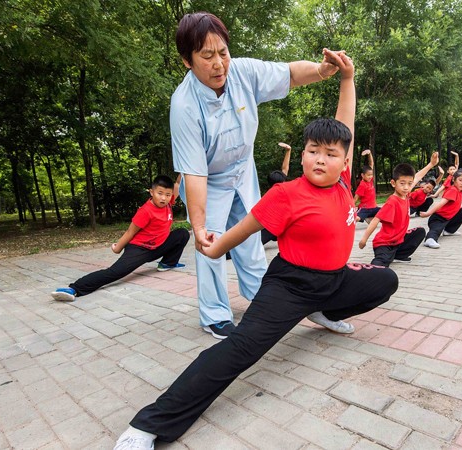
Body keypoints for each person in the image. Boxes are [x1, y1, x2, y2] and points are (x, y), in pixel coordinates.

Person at [114, 51, 399, 450]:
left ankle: (324, 312)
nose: (321, 158)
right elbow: (242, 230)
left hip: (333, 282)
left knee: (386, 279)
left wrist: (347, 79)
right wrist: (212, 249)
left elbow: (344, 124)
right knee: (241, 349)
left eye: (331, 153)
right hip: (290, 286)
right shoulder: (286, 194)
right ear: (302, 153)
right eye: (313, 150)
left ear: (344, 160)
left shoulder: (343, 182)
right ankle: (148, 425)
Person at [170, 12, 346, 339]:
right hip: (207, 182)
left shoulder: (243, 71)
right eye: (206, 56)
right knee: (211, 244)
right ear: (187, 61)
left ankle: (259, 297)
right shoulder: (184, 106)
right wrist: (197, 226)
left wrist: (321, 71)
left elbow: (289, 74)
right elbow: (193, 174)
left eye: (222, 52)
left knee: (251, 239)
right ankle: (214, 314)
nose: (219, 64)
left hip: (242, 172)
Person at [50, 175, 189, 302]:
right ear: (151, 192)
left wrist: (185, 170)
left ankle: (167, 263)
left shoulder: (168, 202)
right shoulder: (145, 211)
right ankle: (74, 289)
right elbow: (130, 232)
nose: (163, 198)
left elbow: (177, 183)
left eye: (167, 194)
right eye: (160, 193)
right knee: (114, 273)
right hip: (140, 249)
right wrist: (118, 248)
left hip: (158, 245)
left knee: (182, 233)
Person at [358, 153, 440, 267]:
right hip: (384, 244)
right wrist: (363, 239)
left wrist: (431, 164)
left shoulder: (405, 194)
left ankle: (398, 255)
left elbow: (417, 177)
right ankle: (370, 273)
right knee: (381, 264)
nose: (406, 187)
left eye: (409, 184)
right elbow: (376, 220)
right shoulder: (392, 201)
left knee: (420, 232)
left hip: (398, 242)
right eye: (402, 183)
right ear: (393, 183)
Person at [420, 158, 462, 249]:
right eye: (460, 180)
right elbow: (441, 203)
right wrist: (428, 213)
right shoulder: (453, 190)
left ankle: (449, 231)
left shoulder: (460, 189)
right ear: (454, 180)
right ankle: (429, 240)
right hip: (438, 218)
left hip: (449, 219)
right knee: (436, 230)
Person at [260, 142, 292, 245]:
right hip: (272, 227)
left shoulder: (274, 189)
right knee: (255, 242)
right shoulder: (277, 194)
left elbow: (285, 168)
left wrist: (288, 150)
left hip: (279, 227)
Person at [354, 149, 380, 222]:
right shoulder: (362, 185)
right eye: (368, 175)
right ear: (362, 175)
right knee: (357, 218)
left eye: (371, 175)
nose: (370, 176)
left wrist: (369, 153)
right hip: (364, 209)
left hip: (374, 208)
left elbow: (371, 164)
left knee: (386, 212)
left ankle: (369, 218)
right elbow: (355, 198)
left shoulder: (370, 180)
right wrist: (351, 208)